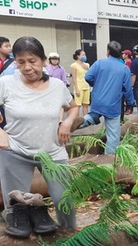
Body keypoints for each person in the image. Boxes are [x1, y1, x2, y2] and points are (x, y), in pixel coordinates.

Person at [0, 36, 79, 237]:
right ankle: (24, 223)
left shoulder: (57, 86)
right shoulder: (6, 83)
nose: (27, 67)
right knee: (18, 204)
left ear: (43, 61)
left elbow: (73, 108)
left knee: (65, 200)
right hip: (16, 151)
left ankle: (69, 235)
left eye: (32, 61)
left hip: (53, 152)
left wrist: (67, 123)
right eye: (21, 62)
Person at [73, 41, 134, 154]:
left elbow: (88, 76)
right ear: (120, 54)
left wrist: (97, 83)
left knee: (92, 116)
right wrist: (130, 104)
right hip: (113, 106)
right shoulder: (124, 69)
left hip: (98, 102)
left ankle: (80, 122)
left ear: (108, 53)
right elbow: (128, 89)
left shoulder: (99, 63)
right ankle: (108, 161)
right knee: (113, 136)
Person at [0, 36, 17, 129]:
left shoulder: (15, 60)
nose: (10, 48)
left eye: (10, 46)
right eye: (6, 46)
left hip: (11, 95)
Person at [71, 49, 90, 116]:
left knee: (86, 104)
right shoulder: (74, 65)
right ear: (78, 56)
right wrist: (76, 89)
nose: (84, 56)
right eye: (83, 55)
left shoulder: (87, 65)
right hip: (79, 86)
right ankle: (76, 119)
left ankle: (85, 119)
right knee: (78, 105)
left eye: (85, 55)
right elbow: (74, 78)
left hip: (86, 86)